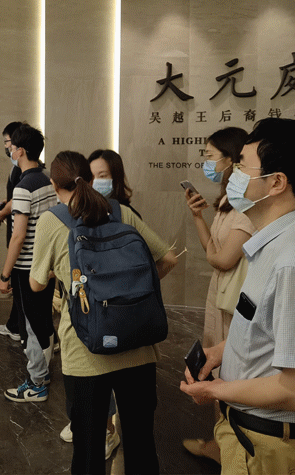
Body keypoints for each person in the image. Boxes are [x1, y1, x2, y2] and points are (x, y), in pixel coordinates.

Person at [179, 118, 295, 475]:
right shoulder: (279, 241)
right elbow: (265, 326)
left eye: (243, 166)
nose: (234, 175)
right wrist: (221, 351)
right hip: (257, 441)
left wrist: (218, 391)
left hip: (275, 451)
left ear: (276, 182)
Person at [30, 150, 178, 474]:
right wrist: (133, 291)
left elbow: (37, 283)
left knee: (88, 448)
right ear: (89, 178)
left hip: (85, 351)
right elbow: (168, 259)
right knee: (141, 443)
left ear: (54, 184)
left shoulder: (52, 220)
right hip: (137, 345)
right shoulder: (122, 212)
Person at [181, 127, 254, 464]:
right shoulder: (227, 200)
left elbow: (223, 258)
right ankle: (220, 443)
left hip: (235, 300)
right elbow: (213, 249)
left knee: (231, 371)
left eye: (210, 156)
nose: (206, 163)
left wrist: (214, 255)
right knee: (217, 366)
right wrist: (197, 215)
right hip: (220, 292)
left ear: (232, 159)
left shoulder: (247, 204)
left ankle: (231, 449)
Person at [0, 125, 58, 402]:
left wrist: (5, 274)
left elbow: (18, 236)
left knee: (32, 325)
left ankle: (37, 383)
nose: (9, 151)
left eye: (11, 147)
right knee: (44, 320)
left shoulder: (23, 187)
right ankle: (43, 373)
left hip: (26, 268)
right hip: (46, 265)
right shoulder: (47, 180)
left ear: (20, 151)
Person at [0, 121, 25, 343]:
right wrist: (7, 204)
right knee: (20, 286)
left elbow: (21, 196)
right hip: (15, 228)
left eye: (7, 142)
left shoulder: (26, 171)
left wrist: (3, 212)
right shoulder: (18, 169)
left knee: (19, 284)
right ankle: (15, 324)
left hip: (20, 234)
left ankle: (20, 328)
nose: (6, 147)